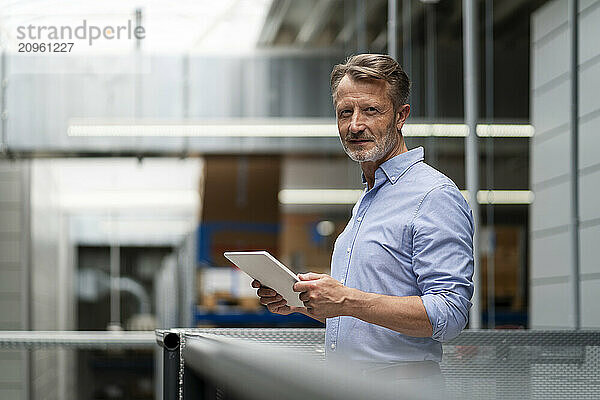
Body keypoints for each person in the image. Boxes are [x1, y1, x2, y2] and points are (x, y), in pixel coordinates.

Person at [252, 54, 474, 368]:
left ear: (400, 116)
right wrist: (305, 302)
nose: (355, 125)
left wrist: (345, 299)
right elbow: (366, 319)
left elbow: (450, 315)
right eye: (345, 112)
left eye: (371, 110)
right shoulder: (370, 198)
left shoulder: (434, 196)